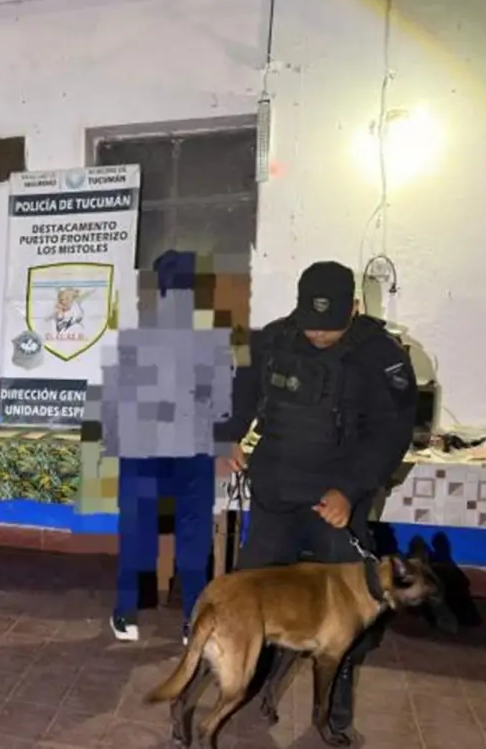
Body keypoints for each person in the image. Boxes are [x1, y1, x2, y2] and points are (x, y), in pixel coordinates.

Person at [225, 260, 417, 733]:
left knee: (349, 607)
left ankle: (337, 692)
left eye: (329, 327)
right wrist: (226, 435)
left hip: (337, 502)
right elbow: (240, 391)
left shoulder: (381, 355)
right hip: (276, 491)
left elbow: (391, 433)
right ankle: (250, 678)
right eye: (311, 324)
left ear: (354, 308)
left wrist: (350, 490)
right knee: (252, 591)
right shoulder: (271, 340)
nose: (319, 335)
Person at [102, 251, 233, 643]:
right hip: (193, 450)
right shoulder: (214, 342)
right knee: (193, 536)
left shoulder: (131, 339)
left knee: (136, 530)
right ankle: (193, 620)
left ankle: (126, 614)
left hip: (140, 449)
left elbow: (112, 405)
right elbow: (223, 408)